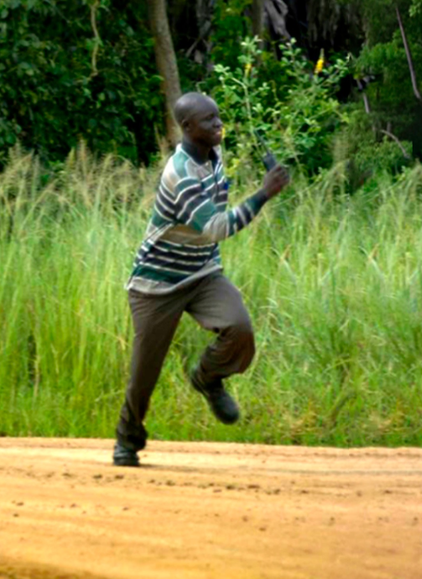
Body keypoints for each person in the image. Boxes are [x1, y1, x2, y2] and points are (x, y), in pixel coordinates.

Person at [114, 92, 290, 467]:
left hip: (202, 271)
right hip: (157, 283)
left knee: (240, 329)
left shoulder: (214, 153)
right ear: (188, 127)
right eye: (209, 120)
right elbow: (215, 227)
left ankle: (207, 378)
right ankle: (127, 440)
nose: (218, 124)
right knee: (144, 374)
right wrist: (264, 194)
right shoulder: (179, 172)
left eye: (218, 116)